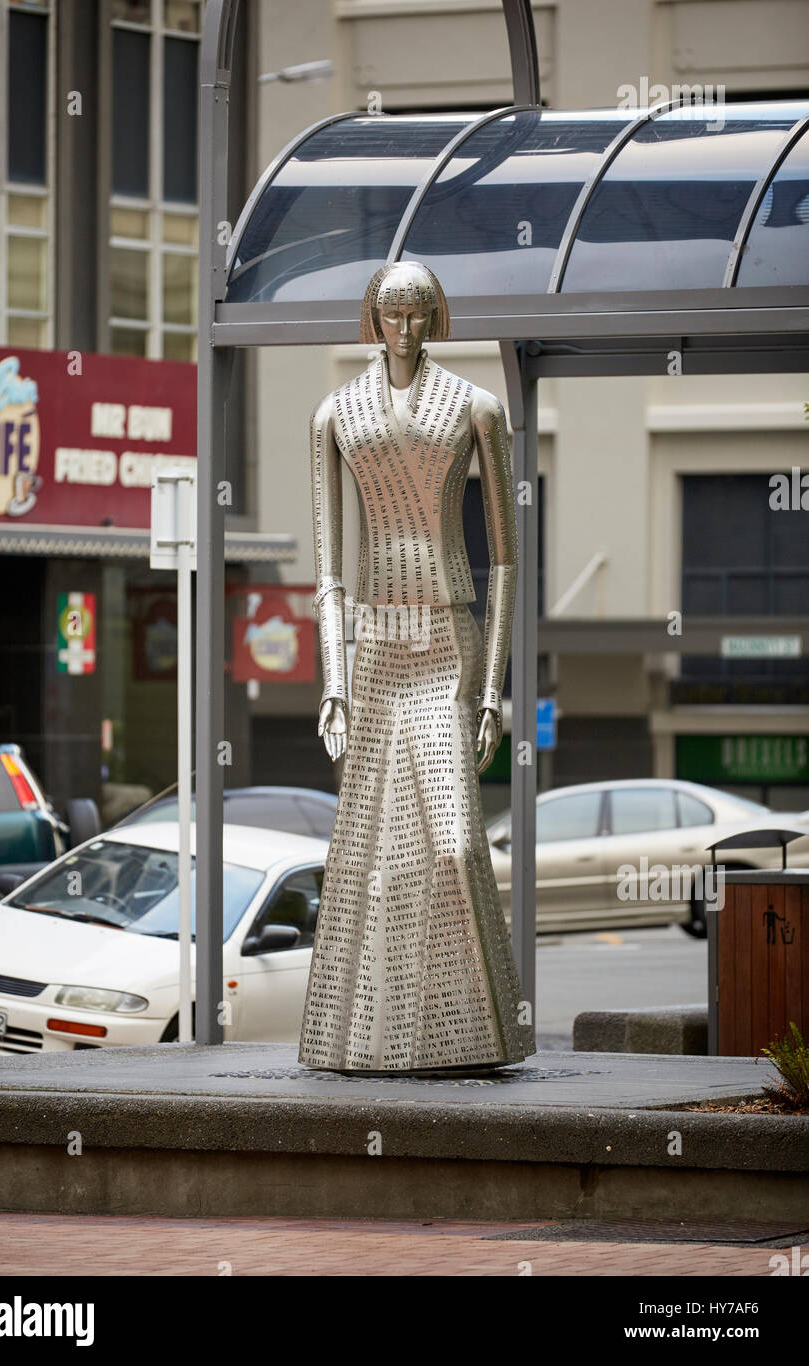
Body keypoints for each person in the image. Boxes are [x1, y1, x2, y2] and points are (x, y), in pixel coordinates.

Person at [298, 260, 534, 1074]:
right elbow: (327, 569)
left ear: (436, 317)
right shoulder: (335, 413)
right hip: (372, 640)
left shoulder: (477, 408)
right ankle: (366, 1041)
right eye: (391, 313)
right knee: (366, 851)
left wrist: (492, 686)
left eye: (417, 313)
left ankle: (474, 1032)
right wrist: (332, 676)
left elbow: (505, 561)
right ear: (373, 318)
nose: (404, 328)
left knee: (453, 842)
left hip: (444, 635)